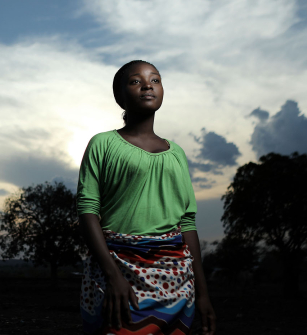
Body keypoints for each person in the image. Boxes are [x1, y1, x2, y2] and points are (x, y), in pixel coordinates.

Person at [77, 60, 216, 335]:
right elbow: (87, 209)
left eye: (155, 80)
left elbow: (187, 223)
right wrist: (112, 275)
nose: (147, 86)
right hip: (119, 275)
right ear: (120, 95)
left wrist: (202, 293)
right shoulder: (102, 144)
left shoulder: (176, 153)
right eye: (135, 81)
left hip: (176, 281)